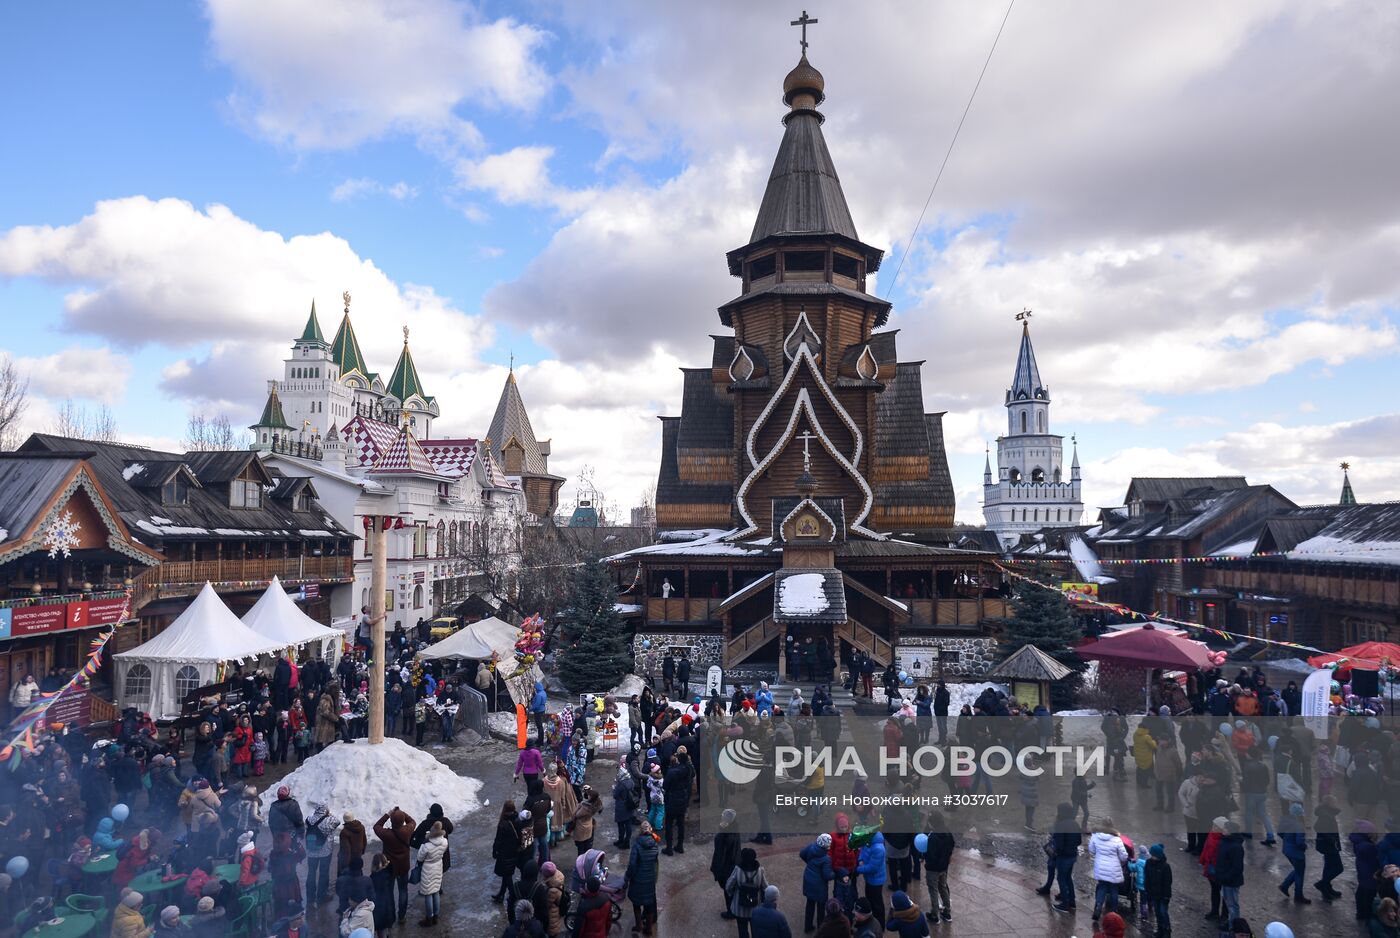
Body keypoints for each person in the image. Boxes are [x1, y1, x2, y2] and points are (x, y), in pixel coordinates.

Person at [374, 808, 415, 922]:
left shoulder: (387, 834)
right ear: (402, 821)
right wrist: (402, 813)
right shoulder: (407, 831)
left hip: (389, 867)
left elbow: (376, 826)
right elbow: (412, 821)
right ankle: (402, 916)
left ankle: (391, 915)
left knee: (389, 892)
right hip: (403, 866)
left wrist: (388, 814)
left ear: (391, 821)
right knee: (403, 891)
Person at [624, 820, 661, 936]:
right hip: (650, 878)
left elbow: (632, 865)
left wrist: (627, 877)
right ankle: (648, 929)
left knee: (636, 904)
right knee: (649, 905)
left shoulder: (637, 845)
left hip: (638, 879)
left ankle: (639, 925)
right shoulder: (655, 844)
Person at [1087, 821, 1128, 922]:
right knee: (1114, 889)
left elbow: (1091, 850)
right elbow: (1124, 856)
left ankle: (1098, 908)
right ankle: (1113, 912)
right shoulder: (1117, 839)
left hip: (1100, 866)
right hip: (1114, 868)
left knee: (1102, 887)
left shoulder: (1095, 836)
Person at [726, 847, 768, 938]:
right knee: (755, 930)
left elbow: (728, 886)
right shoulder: (760, 871)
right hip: (755, 908)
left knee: (742, 931)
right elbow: (766, 887)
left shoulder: (738, 870)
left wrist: (731, 894)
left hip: (740, 908)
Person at [305, 802, 340, 906]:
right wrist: (329, 814)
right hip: (325, 852)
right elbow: (337, 822)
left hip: (311, 851)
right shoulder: (329, 820)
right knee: (323, 873)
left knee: (311, 873)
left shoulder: (308, 819)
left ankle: (310, 896)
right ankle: (321, 895)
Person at [923, 812, 954, 924]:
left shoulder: (933, 837)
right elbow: (952, 845)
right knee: (943, 888)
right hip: (943, 867)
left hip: (933, 869)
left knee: (934, 891)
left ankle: (934, 915)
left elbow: (930, 854)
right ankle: (947, 912)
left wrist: (924, 857)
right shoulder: (947, 832)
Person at [1050, 803, 1082, 914]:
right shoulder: (1075, 824)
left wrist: (1055, 852)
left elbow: (1059, 844)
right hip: (1073, 855)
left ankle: (1064, 904)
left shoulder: (1060, 825)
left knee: (1061, 879)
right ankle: (1072, 901)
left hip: (1063, 857)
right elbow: (1079, 841)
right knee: (1068, 878)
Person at [415, 820, 448, 926]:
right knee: (436, 891)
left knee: (428, 893)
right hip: (438, 867)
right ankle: (436, 917)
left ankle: (429, 917)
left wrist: (423, 843)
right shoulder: (445, 842)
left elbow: (420, 858)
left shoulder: (427, 846)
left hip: (428, 869)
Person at [801, 833, 836, 932]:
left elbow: (802, 854)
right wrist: (834, 874)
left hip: (808, 880)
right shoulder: (826, 859)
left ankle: (808, 926)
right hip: (820, 886)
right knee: (821, 907)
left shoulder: (811, 847)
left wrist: (810, 864)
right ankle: (821, 928)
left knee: (810, 904)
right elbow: (827, 875)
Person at [711, 809, 742, 918]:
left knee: (727, 889)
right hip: (735, 863)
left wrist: (716, 869)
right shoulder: (735, 830)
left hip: (726, 867)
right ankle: (734, 907)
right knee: (732, 888)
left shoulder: (722, 837)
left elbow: (720, 854)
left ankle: (731, 911)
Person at [1278, 802, 1311, 904]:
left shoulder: (1286, 821)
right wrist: (1305, 846)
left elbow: (1280, 833)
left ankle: (1285, 886)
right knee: (1299, 873)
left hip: (1287, 850)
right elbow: (1299, 842)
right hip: (1296, 853)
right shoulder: (1298, 825)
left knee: (1297, 870)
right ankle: (1298, 895)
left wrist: (1287, 841)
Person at [1215, 820, 1246, 925]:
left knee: (1232, 905)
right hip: (1225, 879)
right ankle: (1231, 923)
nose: (1223, 829)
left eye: (1225, 828)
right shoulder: (1225, 842)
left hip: (1231, 881)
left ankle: (1234, 926)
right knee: (1229, 904)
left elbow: (1237, 867)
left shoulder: (1235, 847)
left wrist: (1225, 877)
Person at [855, 831, 887, 928]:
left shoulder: (878, 848)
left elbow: (873, 868)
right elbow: (862, 851)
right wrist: (860, 860)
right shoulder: (868, 841)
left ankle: (879, 925)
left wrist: (858, 869)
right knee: (870, 900)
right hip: (870, 878)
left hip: (876, 880)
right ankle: (871, 922)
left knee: (876, 903)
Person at [493, 801, 522, 904]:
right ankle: (501, 894)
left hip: (504, 853)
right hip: (514, 852)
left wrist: (494, 851)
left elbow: (498, 840)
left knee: (507, 876)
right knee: (507, 874)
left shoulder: (503, 824)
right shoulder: (518, 820)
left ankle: (513, 896)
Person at [1142, 843, 1172, 937]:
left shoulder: (1165, 867)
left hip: (1163, 895)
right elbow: (1147, 878)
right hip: (1154, 893)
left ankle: (1166, 931)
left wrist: (1166, 896)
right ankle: (1160, 930)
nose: (1152, 857)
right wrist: (1147, 890)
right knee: (1158, 913)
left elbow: (1168, 883)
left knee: (1163, 913)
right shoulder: (1148, 863)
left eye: (1153, 855)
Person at [370, 854, 397, 938]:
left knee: (382, 932)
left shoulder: (373, 878)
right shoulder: (389, 874)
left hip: (380, 910)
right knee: (389, 929)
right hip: (389, 906)